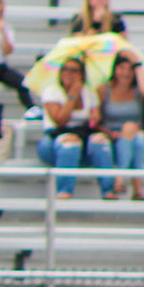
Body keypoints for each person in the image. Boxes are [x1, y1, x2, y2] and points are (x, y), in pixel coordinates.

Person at [39, 57, 114, 200]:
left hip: (82, 138)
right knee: (71, 143)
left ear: (81, 74)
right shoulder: (52, 91)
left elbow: (93, 124)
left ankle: (107, 190)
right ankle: (64, 191)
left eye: (74, 70)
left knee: (100, 140)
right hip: (54, 140)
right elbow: (60, 120)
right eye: (65, 69)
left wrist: (95, 118)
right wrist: (72, 95)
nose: (68, 73)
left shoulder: (89, 93)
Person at [99, 52, 144, 200]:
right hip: (110, 135)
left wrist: (138, 64)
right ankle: (136, 188)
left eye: (130, 69)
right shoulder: (104, 89)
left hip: (132, 134)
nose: (126, 73)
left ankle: (121, 178)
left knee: (136, 136)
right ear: (115, 69)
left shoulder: (137, 91)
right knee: (136, 137)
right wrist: (109, 133)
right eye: (122, 68)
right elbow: (96, 120)